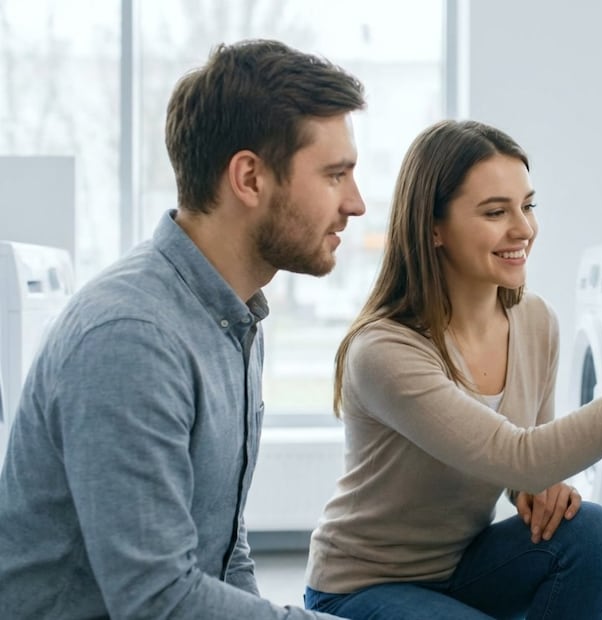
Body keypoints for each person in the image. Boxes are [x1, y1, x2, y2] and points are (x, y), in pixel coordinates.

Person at [304, 119, 602, 619]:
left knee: (593, 537)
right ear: (434, 228)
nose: (523, 229)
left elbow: (527, 467)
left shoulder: (535, 322)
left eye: (527, 206)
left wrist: (539, 490)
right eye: (495, 212)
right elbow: (521, 455)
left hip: (465, 566)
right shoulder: (385, 350)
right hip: (362, 585)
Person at [0, 39, 366, 619]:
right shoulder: (131, 336)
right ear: (249, 178)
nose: (357, 203)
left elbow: (224, 555)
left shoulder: (235, 316)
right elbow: (157, 602)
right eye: (335, 175)